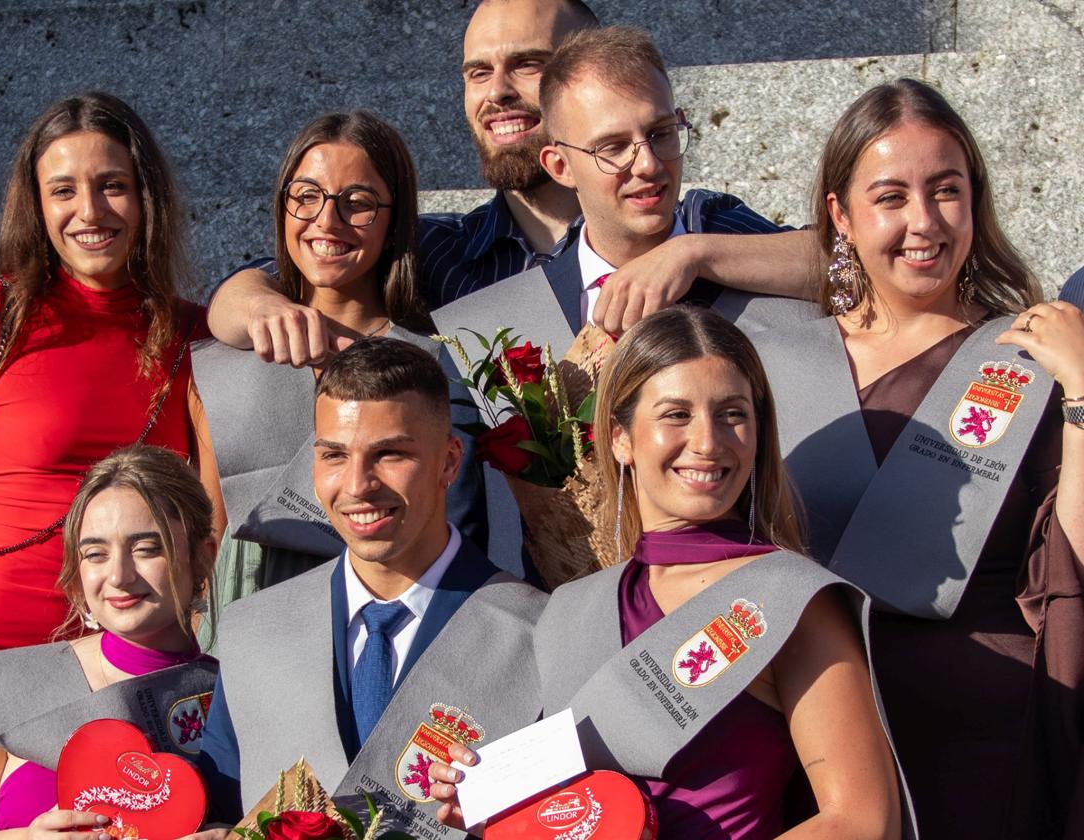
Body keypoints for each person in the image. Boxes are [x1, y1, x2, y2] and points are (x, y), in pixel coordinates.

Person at [750, 78, 1084, 838]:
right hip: (815, 743)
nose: (924, 222)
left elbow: (1070, 567)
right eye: (891, 197)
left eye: (947, 191)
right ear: (840, 213)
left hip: (988, 744)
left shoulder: (1034, 357)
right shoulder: (776, 363)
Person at [429, 306, 904, 838]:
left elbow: (864, 819)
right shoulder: (573, 605)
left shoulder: (792, 599)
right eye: (676, 414)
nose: (707, 441)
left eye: (732, 414)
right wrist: (490, 805)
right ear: (620, 438)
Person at [0, 91, 215, 804]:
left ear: (146, 197)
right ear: (36, 207)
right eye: (63, 190)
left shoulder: (193, 337)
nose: (90, 211)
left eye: (113, 186)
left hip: (131, 655)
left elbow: (213, 526)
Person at [206, 3, 815, 366]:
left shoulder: (698, 222)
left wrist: (693, 253)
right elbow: (272, 273)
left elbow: (844, 263)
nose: (497, 91)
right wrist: (259, 307)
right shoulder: (440, 254)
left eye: (527, 64)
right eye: (478, 72)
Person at [192, 338, 546, 838]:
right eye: (334, 455)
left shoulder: (539, 635)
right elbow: (220, 810)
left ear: (449, 462)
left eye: (389, 455)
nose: (357, 484)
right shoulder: (253, 628)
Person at [193, 110, 491, 617]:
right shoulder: (229, 359)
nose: (326, 221)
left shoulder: (440, 365)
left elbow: (460, 533)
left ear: (395, 221)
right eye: (306, 197)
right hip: (250, 626)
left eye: (358, 203)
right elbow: (208, 539)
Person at [431, 25, 819, 355]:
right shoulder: (513, 310)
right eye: (612, 148)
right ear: (560, 166)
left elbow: (854, 264)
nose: (648, 164)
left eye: (661, 134)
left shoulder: (721, 234)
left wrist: (691, 252)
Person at [0, 445, 219, 839]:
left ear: (204, 555)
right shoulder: (8, 684)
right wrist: (25, 839)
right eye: (95, 554)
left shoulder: (236, 696)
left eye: (147, 549)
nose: (119, 575)